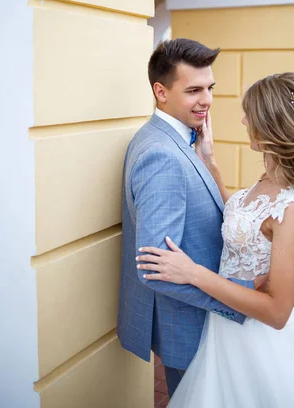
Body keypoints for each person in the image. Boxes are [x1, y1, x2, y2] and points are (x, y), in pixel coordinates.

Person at [137, 72, 294, 407]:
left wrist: (193, 273)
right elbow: (242, 221)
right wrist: (210, 163)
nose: (244, 120)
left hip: (252, 340)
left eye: (250, 114)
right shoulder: (269, 177)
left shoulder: (292, 208)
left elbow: (277, 312)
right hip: (223, 329)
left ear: (272, 125)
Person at [117, 38, 263, 399]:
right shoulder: (162, 156)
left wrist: (207, 161)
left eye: (210, 88)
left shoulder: (177, 140)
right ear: (160, 91)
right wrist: (237, 299)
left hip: (195, 321)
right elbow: (154, 266)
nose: (207, 100)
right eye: (194, 90)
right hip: (187, 326)